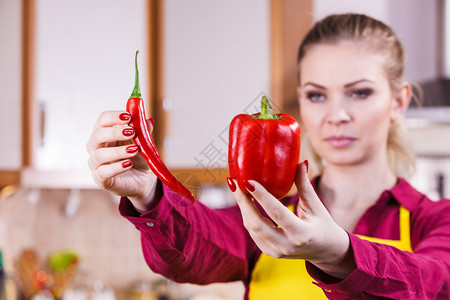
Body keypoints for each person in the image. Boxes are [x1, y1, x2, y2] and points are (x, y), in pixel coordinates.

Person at [86, 13, 450, 299]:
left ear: (398, 102)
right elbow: (196, 250)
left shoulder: (436, 221)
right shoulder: (266, 215)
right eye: (317, 95)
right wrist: (148, 192)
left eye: (359, 93)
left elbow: (433, 284)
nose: (336, 115)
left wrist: (339, 255)